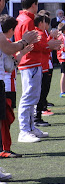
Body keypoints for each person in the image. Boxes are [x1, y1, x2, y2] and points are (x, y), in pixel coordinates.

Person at [15, 0, 61, 143]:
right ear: (34, 4)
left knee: (32, 97)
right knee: (29, 97)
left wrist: (47, 45)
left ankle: (30, 127)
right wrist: (49, 45)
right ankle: (24, 130)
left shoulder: (21, 19)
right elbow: (31, 44)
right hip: (30, 62)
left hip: (29, 62)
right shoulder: (27, 20)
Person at [0, 14, 33, 158]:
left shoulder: (7, 43)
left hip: (9, 85)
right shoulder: (6, 43)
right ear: (12, 29)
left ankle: (5, 147)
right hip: (6, 86)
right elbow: (9, 66)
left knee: (8, 118)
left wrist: (22, 52)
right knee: (6, 119)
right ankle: (4, 148)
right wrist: (22, 49)